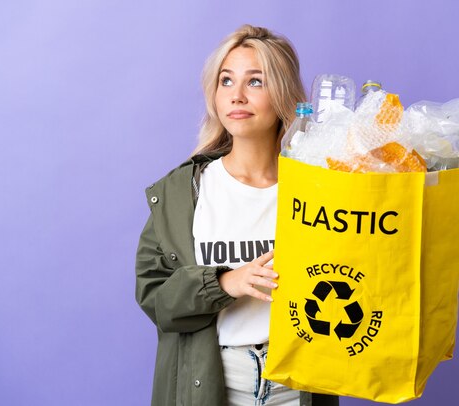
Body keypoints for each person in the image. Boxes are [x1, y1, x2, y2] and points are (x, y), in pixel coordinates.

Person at [135, 25, 339, 406]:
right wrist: (225, 283)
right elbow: (156, 299)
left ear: (283, 95)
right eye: (226, 81)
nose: (237, 95)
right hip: (213, 383)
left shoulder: (319, 187)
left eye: (256, 81)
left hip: (297, 386)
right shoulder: (183, 192)